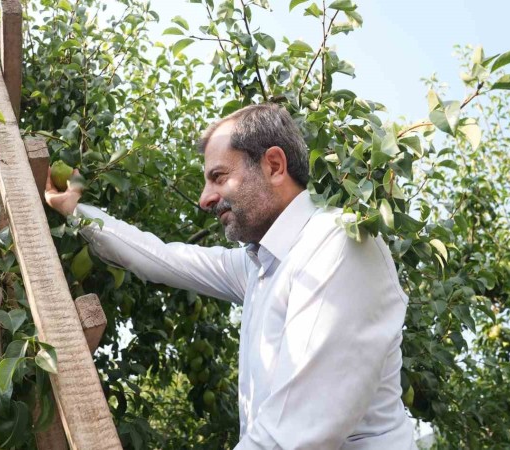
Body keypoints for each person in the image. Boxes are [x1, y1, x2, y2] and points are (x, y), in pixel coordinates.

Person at [44, 104, 417, 449]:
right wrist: (77, 210)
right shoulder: (258, 265)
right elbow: (160, 257)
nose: (206, 198)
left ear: (273, 165)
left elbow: (292, 433)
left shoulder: (337, 245)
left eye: (218, 177)